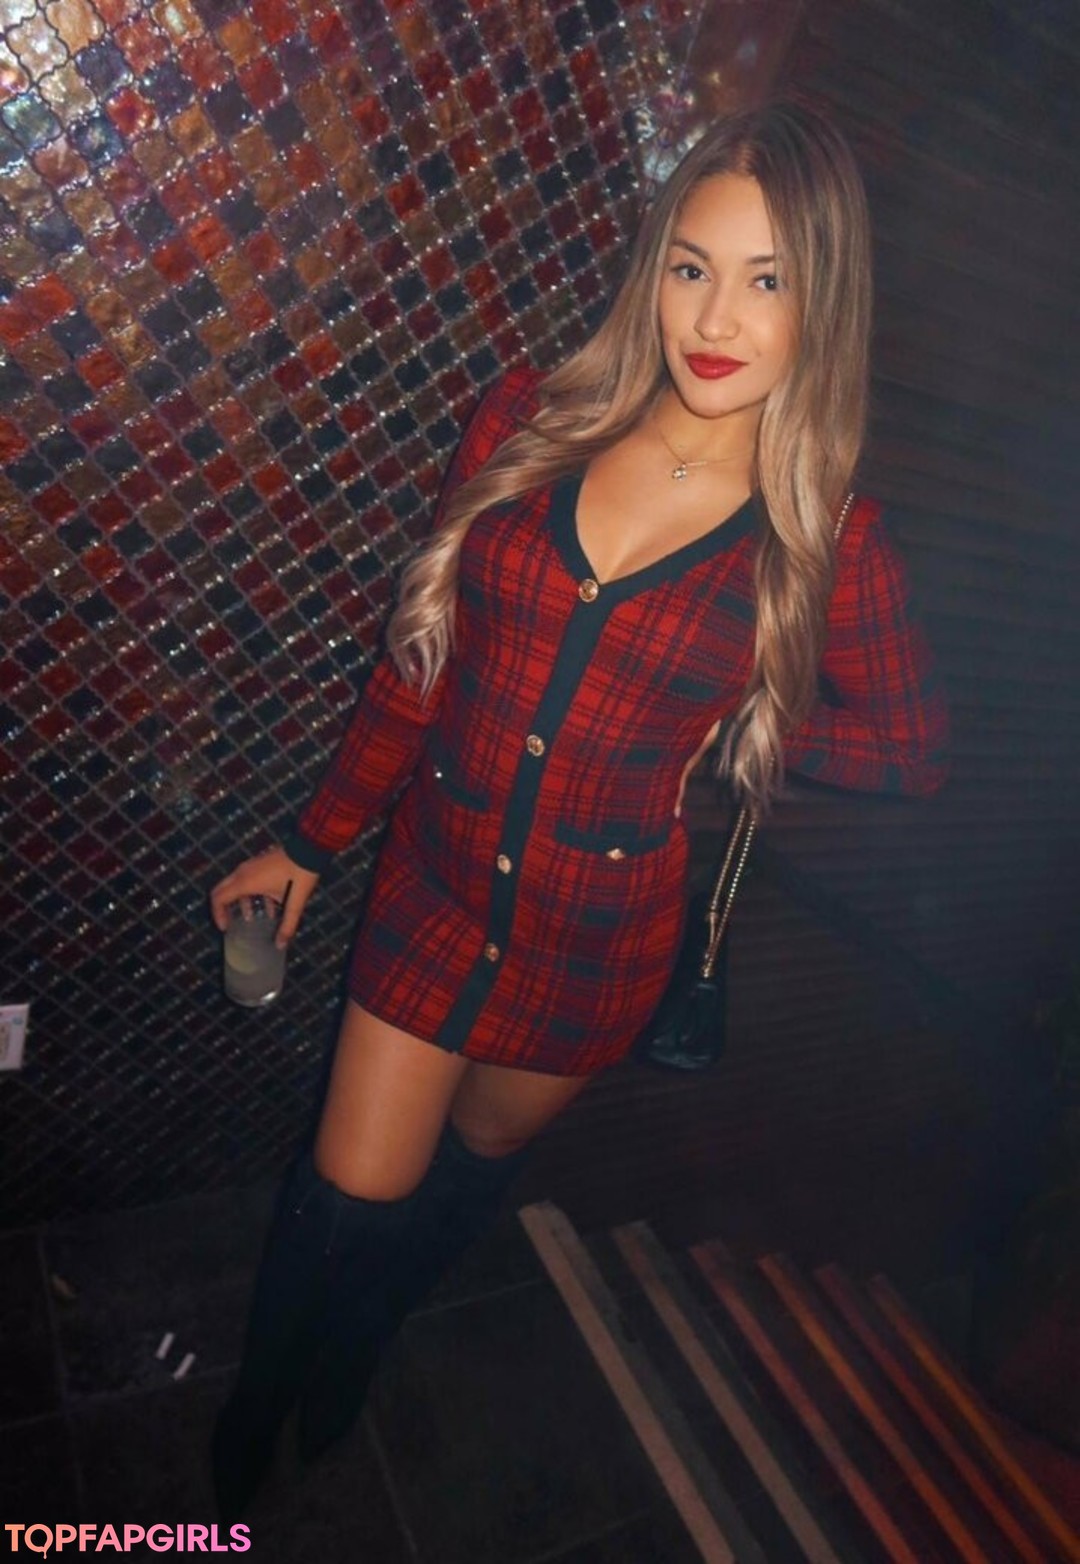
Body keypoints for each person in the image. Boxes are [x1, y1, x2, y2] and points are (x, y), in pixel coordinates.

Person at [208, 100, 948, 1515]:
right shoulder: (531, 420)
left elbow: (913, 753)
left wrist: (750, 727)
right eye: (691, 265)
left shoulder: (829, 543)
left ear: (825, 303)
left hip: (598, 943)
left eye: (768, 279)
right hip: (431, 887)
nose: (715, 317)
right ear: (652, 266)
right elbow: (420, 668)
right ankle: (253, 1416)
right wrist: (311, 842)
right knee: (346, 1187)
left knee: (466, 1177)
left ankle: (356, 1356)